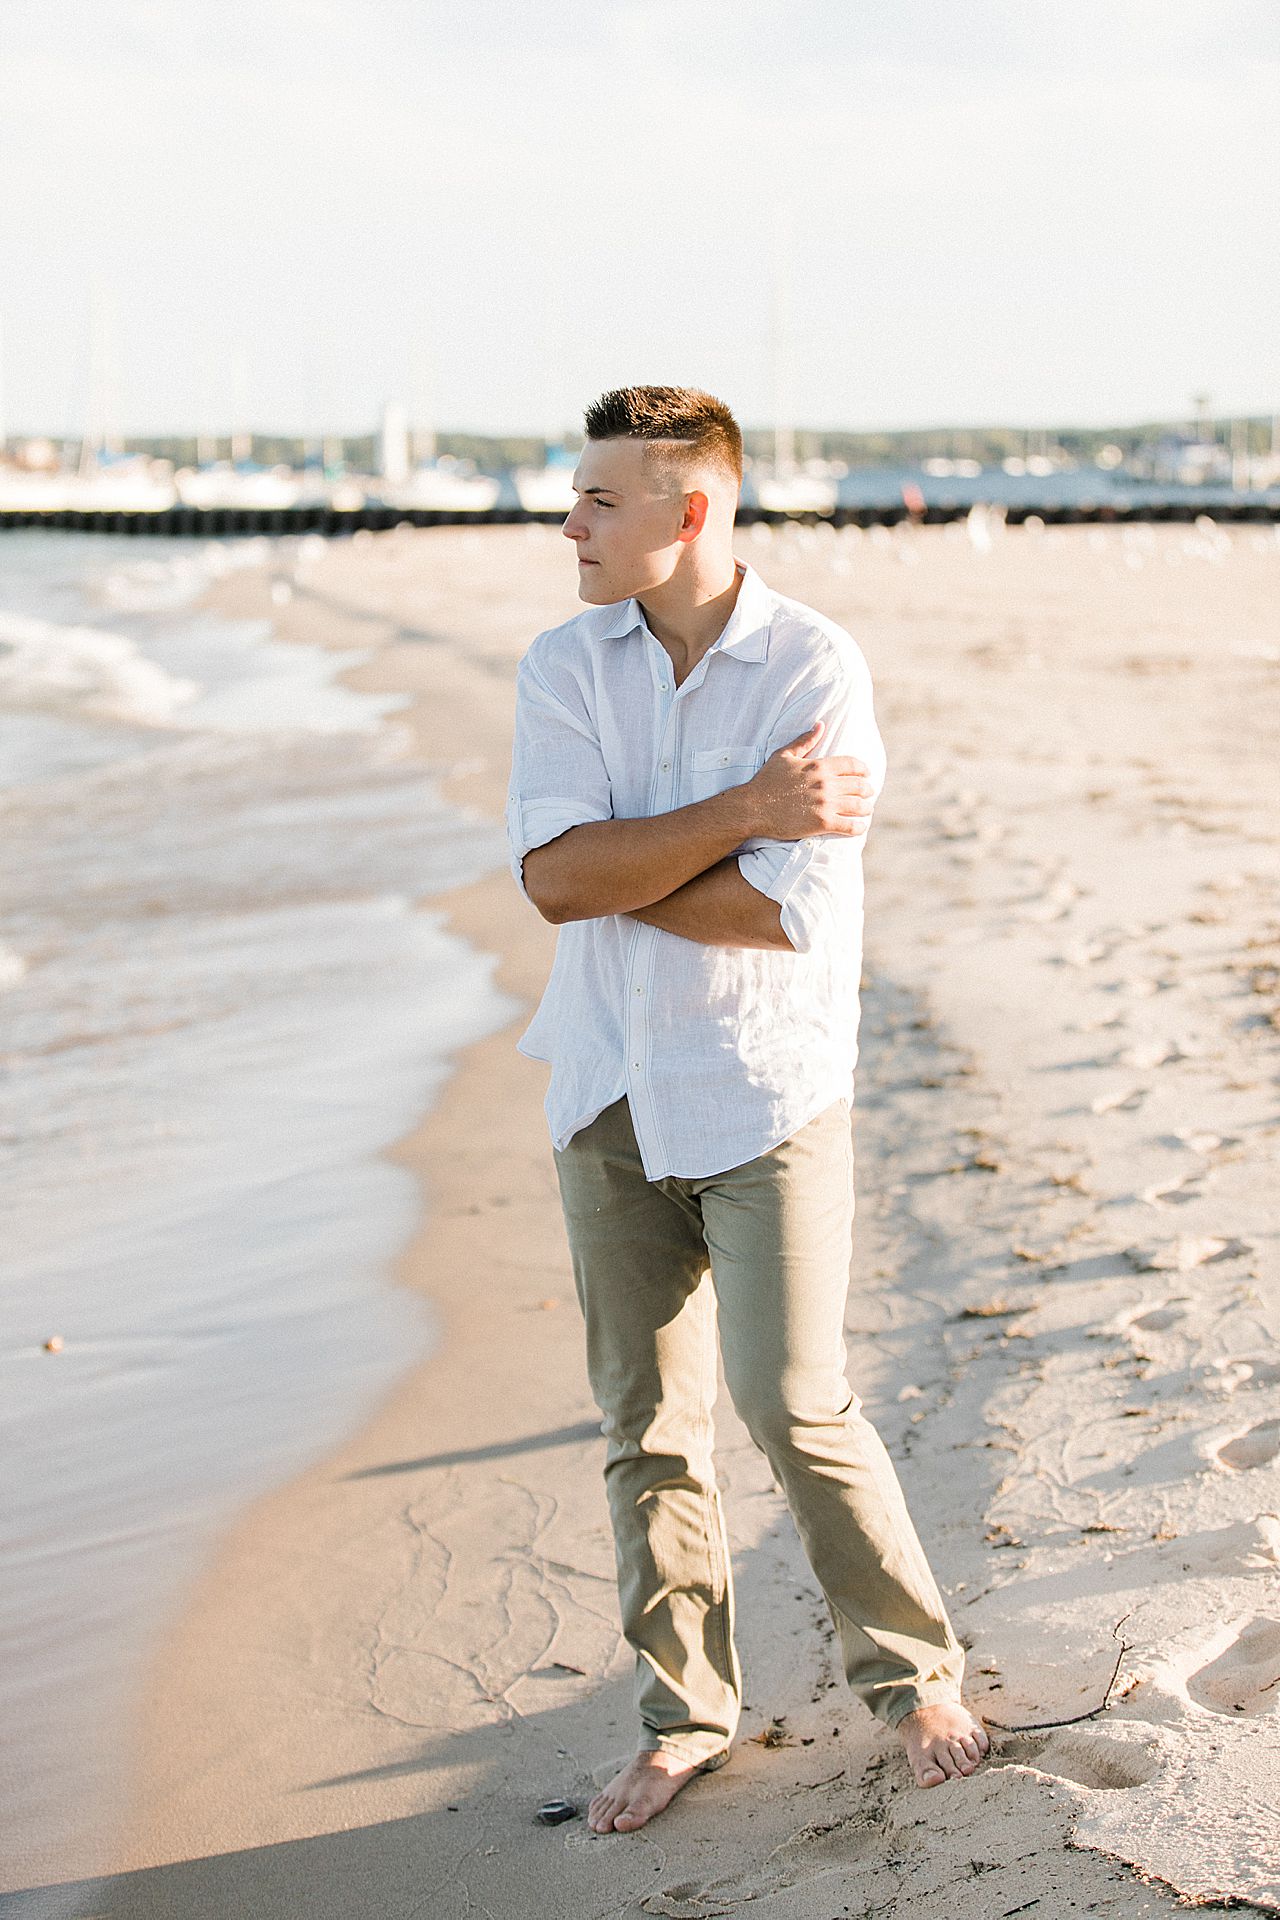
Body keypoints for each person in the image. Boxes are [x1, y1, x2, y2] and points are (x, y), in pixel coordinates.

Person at [505, 385, 989, 1836]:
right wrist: (738, 813)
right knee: (647, 1428)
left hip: (765, 1089)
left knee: (794, 1403)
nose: (571, 524)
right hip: (607, 1084)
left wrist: (634, 860)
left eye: (600, 500)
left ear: (691, 510)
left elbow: (784, 916)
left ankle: (914, 1679)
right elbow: (554, 883)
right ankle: (684, 1720)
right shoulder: (562, 664)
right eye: (576, 496)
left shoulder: (811, 666)